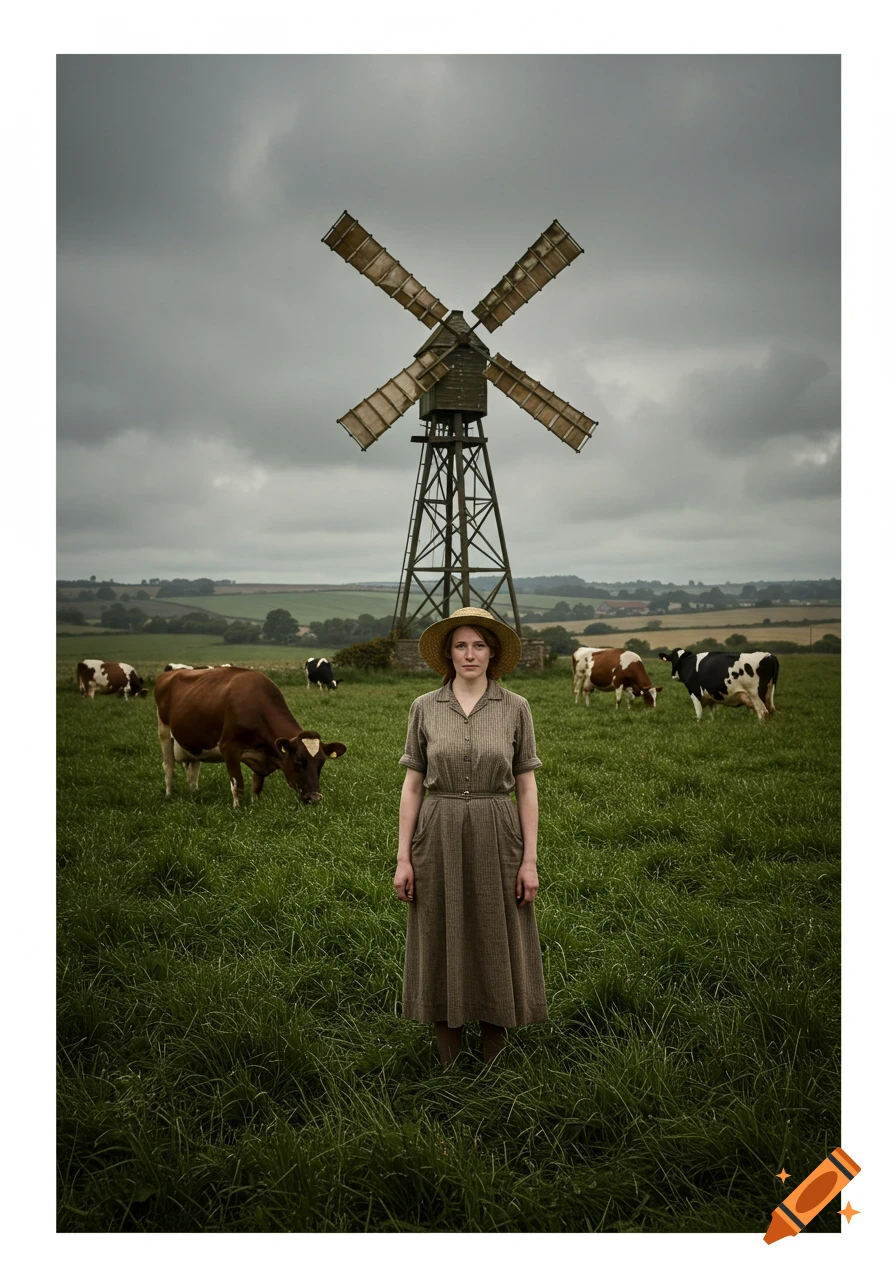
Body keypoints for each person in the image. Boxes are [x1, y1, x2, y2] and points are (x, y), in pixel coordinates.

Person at [393, 606, 547, 1065]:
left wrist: (530, 860)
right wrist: (403, 858)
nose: (470, 653)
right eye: (460, 645)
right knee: (441, 930)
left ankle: (495, 1054)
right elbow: (413, 785)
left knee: (495, 933)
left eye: (479, 644)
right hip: (436, 833)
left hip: (497, 831)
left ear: (493, 652)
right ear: (448, 654)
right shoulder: (424, 707)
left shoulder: (516, 707)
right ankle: (447, 1057)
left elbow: (526, 785)